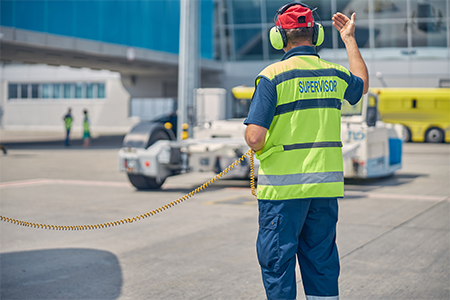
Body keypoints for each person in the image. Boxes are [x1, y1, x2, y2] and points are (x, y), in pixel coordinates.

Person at [244, 3, 368, 300]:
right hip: (324, 190)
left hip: (282, 193)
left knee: (277, 263)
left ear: (279, 37)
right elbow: (361, 86)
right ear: (317, 34)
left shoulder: (272, 76)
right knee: (321, 262)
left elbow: (254, 138)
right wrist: (349, 38)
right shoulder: (334, 74)